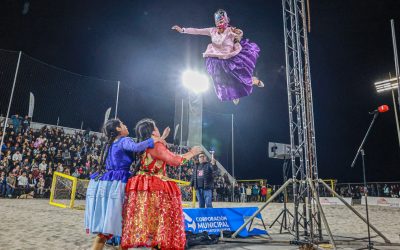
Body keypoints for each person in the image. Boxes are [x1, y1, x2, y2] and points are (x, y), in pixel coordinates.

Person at [84, 119, 166, 250]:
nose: (126, 126)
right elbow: (136, 147)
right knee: (125, 221)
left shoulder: (110, 143)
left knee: (107, 227)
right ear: (118, 129)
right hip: (120, 182)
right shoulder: (124, 140)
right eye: (123, 125)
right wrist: (156, 140)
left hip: (107, 183)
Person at [121, 118, 202, 250]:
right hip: (155, 186)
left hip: (142, 186)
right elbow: (176, 161)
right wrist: (192, 152)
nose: (158, 129)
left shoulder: (144, 144)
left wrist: (163, 137)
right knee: (159, 224)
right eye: (156, 127)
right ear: (153, 132)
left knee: (145, 222)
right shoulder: (156, 146)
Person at [172, 9, 263, 105]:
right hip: (217, 59)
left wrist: (238, 35)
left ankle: (255, 81)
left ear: (226, 20)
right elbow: (197, 31)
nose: (220, 22)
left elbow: (240, 33)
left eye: (222, 20)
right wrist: (182, 30)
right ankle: (234, 95)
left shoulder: (230, 30)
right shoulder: (212, 31)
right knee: (221, 80)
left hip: (230, 58)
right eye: (218, 20)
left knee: (240, 77)